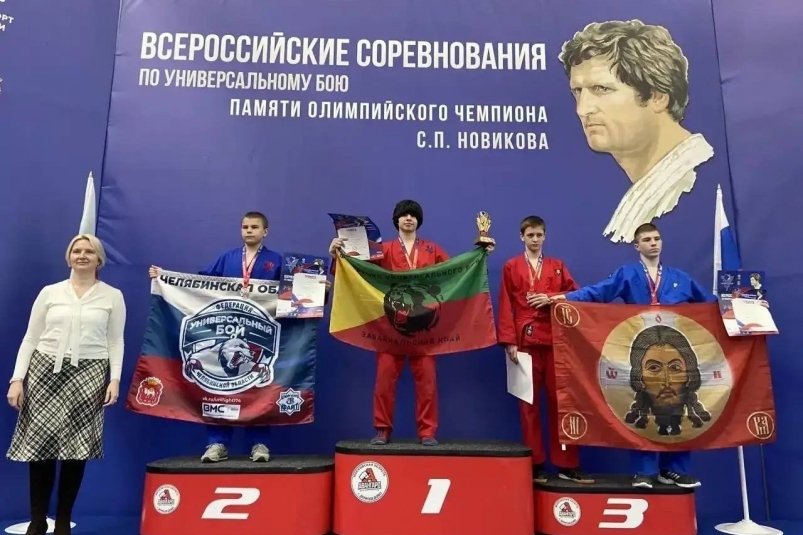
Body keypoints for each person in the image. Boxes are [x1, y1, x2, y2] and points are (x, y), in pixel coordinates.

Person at [552, 222, 715, 489]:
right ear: (636, 245)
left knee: (680, 407)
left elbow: (711, 304)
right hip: (641, 350)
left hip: (676, 352)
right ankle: (644, 470)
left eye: (657, 238)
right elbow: (598, 292)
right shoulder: (627, 274)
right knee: (644, 406)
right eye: (647, 239)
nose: (653, 243)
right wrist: (562, 298)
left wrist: (743, 306)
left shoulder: (680, 278)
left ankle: (674, 470)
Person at [6, 234, 126, 535]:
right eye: (77, 250)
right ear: (69, 256)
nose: (82, 255)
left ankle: (63, 520)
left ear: (99, 259)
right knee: (40, 449)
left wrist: (114, 379)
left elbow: (116, 341)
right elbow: (30, 338)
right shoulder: (50, 293)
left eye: (89, 251)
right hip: (45, 371)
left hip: (90, 372)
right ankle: (37, 520)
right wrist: (17, 379)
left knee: (76, 450)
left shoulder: (112, 296)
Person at [558, 20, 714, 244]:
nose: (582, 109)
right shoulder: (651, 190)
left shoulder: (696, 185)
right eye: (577, 92)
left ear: (658, 96)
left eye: (601, 89)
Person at [149, 211, 281, 463]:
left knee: (259, 389)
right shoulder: (227, 258)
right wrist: (165, 278)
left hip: (256, 333)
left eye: (255, 227)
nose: (249, 230)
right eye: (245, 226)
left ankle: (259, 444)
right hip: (225, 330)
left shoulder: (276, 261)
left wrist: (318, 289)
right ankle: (217, 443)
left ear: (265, 231)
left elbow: (291, 293)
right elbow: (200, 285)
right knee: (219, 388)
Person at [328, 200, 448, 446]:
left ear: (418, 220)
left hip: (423, 327)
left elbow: (454, 273)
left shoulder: (432, 249)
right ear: (396, 220)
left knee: (427, 383)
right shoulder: (382, 249)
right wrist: (337, 255)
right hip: (391, 326)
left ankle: (427, 432)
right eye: (404, 215)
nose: (408, 218)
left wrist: (479, 256)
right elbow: (356, 271)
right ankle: (382, 429)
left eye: (413, 215)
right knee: (384, 382)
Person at [497, 216, 594, 484]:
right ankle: (536, 463)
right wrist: (509, 341)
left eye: (539, 235)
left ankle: (567, 464)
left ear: (545, 236)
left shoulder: (557, 266)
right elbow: (505, 304)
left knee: (561, 402)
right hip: (524, 342)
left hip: (555, 342)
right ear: (522, 237)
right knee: (528, 406)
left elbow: (576, 295)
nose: (535, 239)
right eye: (530, 235)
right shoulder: (511, 266)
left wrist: (551, 298)